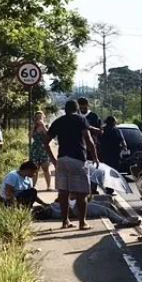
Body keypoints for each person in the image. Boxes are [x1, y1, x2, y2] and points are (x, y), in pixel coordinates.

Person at [45, 99, 99, 231]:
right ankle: (82, 222)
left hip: (62, 159)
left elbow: (45, 141)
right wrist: (96, 157)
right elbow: (88, 139)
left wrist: (53, 159)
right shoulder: (81, 120)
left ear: (65, 109)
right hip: (77, 159)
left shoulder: (58, 121)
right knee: (82, 193)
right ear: (77, 109)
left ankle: (65, 221)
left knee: (63, 193)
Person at [29, 111, 52, 190]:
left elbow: (48, 135)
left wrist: (43, 126)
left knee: (46, 168)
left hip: (44, 149)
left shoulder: (46, 126)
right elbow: (29, 137)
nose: (39, 118)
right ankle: (33, 187)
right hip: (35, 149)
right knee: (35, 169)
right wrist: (33, 127)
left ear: (43, 117)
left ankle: (48, 186)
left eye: (40, 116)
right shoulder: (33, 127)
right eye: (37, 117)